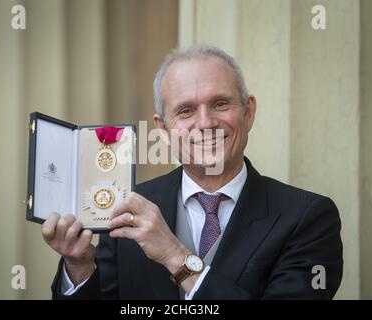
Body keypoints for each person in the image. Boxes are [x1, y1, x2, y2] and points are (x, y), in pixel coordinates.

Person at [42, 45, 343, 299]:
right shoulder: (127, 207)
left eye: (220, 103)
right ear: (162, 129)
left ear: (248, 112)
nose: (205, 123)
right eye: (186, 111)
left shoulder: (309, 218)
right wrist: (79, 267)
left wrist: (175, 255)